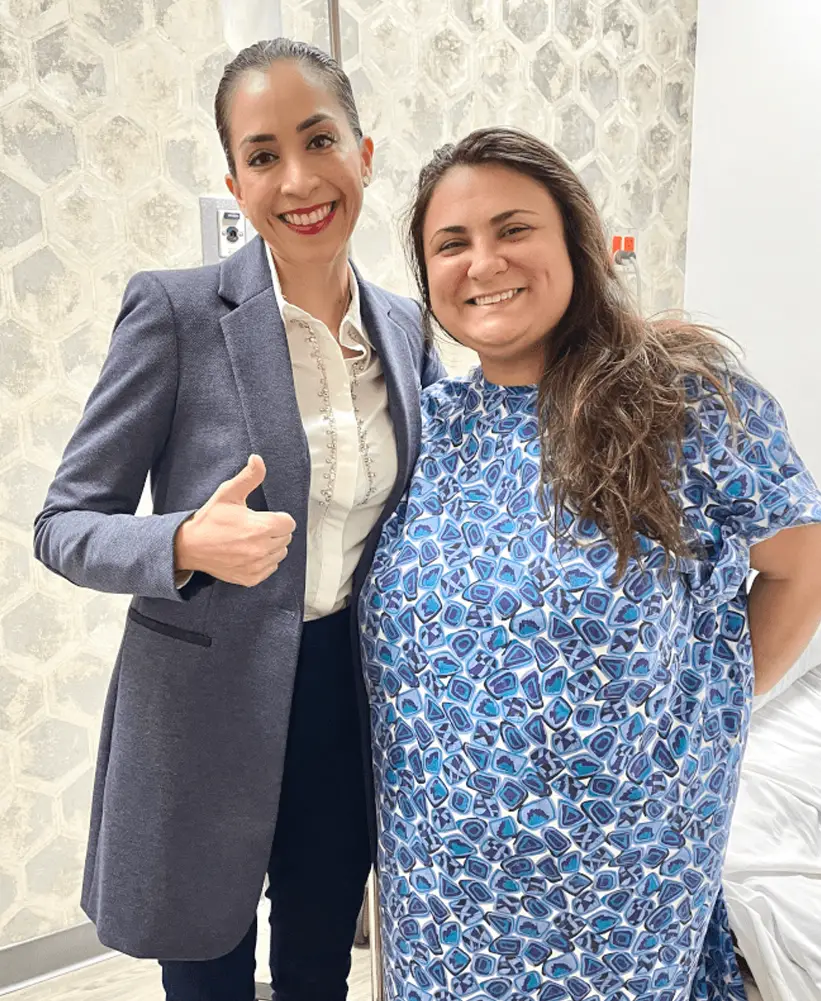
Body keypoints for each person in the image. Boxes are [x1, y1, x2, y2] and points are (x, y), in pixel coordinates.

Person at [359, 128, 821, 1001]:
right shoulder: (429, 425)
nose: (483, 261)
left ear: (573, 241)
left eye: (512, 229)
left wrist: (706, 707)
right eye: (450, 244)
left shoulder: (679, 401)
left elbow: (801, 563)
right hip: (438, 889)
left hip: (618, 882)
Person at [33, 38, 444, 1001]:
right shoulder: (174, 313)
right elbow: (64, 521)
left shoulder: (407, 331)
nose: (297, 178)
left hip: (348, 702)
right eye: (263, 155)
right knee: (207, 974)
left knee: (316, 969)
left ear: (364, 152)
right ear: (234, 179)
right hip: (204, 714)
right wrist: (180, 540)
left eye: (319, 140)